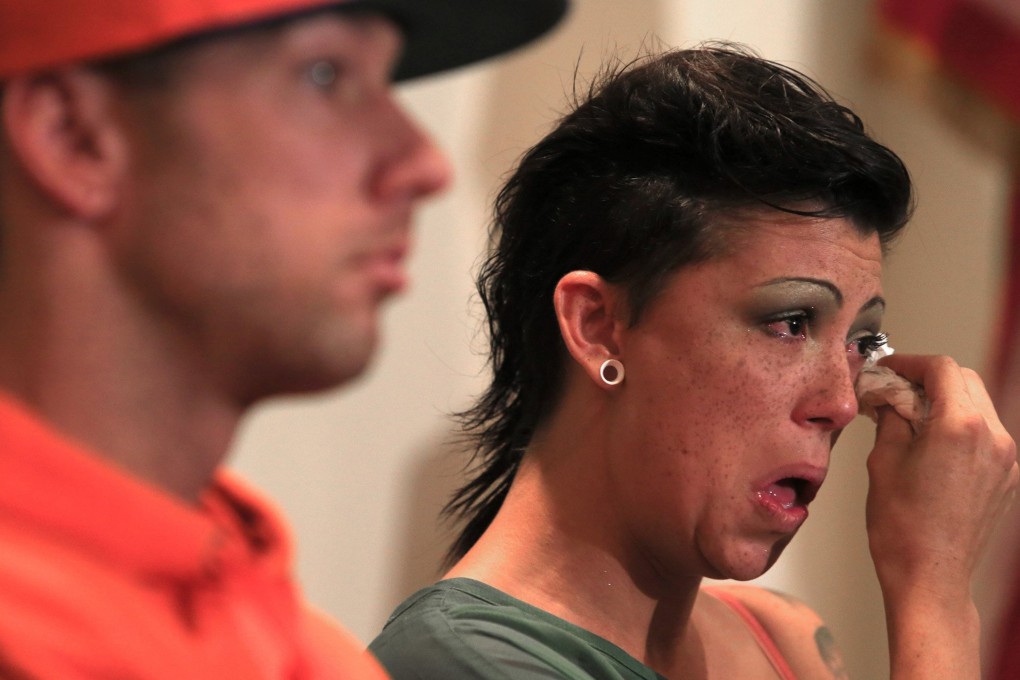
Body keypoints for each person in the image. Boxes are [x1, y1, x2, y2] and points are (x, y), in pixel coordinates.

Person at [368, 44, 1020, 679]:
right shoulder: (459, 662)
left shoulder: (784, 640)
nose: (842, 403)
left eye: (859, 341)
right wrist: (933, 590)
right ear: (599, 327)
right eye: (790, 323)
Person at [0, 0, 567, 677]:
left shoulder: (301, 648)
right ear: (73, 136)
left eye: (385, 82)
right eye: (325, 75)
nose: (423, 164)